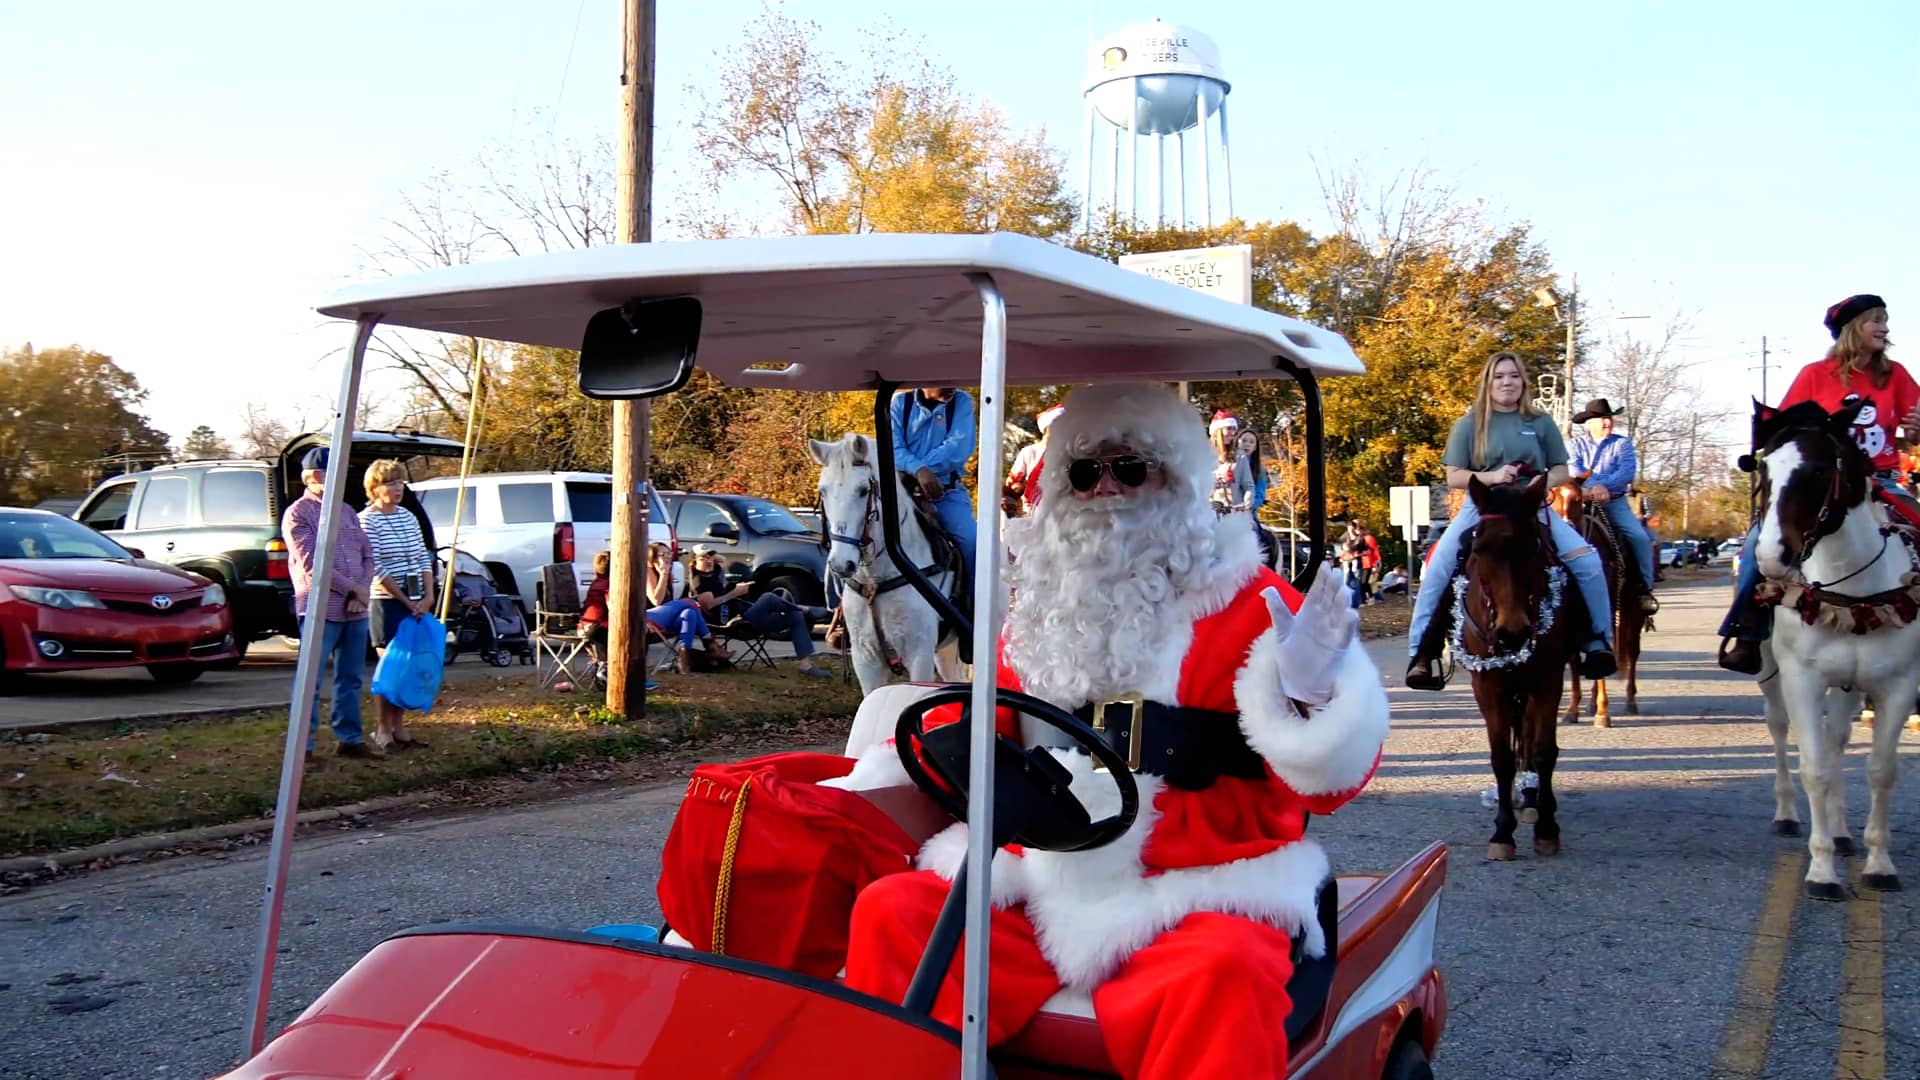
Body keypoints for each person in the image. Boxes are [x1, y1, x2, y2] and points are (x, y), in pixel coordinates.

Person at [840, 382, 1390, 1080]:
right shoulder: (1043, 611)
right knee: (895, 912)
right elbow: (981, 723)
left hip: (1193, 889)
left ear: (1177, 483)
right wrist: (898, 759)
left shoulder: (1256, 606)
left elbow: (1330, 789)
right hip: (1040, 881)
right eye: (1083, 472)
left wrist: (1316, 699)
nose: (1104, 489)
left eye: (1129, 469)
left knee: (1223, 974)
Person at [1718, 294, 1920, 673]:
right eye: (1876, 320)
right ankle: (1747, 632)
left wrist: (1915, 431)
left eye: (1885, 320)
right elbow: (1784, 433)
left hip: (1881, 481)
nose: (1885, 328)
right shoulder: (1814, 375)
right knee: (1757, 543)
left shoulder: (1896, 375)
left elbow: (1912, 433)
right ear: (1852, 329)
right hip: (1823, 487)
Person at [1404, 351, 1617, 690]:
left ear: (1523, 382)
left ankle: (1597, 642)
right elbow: (1454, 476)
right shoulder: (1469, 424)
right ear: (1488, 382)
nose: (1507, 382)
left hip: (1531, 507)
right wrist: (1492, 477)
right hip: (1483, 508)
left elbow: (1561, 470)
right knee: (1438, 567)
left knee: (1588, 561)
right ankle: (1422, 653)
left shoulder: (1540, 422)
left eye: (1514, 376)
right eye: (1500, 376)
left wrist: (1540, 484)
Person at [283, 446, 381, 758]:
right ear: (313, 477)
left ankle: (349, 739)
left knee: (350, 678)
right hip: (320, 609)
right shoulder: (298, 514)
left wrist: (361, 591)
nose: (339, 479)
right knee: (310, 680)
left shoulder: (347, 511)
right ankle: (304, 747)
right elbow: (313, 565)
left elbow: (367, 555)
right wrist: (353, 590)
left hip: (355, 610)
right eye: (332, 473)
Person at [359, 459, 437, 750]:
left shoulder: (408, 517)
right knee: (391, 665)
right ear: (375, 488)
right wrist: (403, 599)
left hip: (416, 598)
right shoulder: (367, 520)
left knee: (410, 664)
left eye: (399, 482)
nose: (397, 488)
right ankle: (382, 729)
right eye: (390, 483)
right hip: (387, 601)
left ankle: (399, 726)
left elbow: (422, 556)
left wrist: (428, 596)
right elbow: (376, 565)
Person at [687, 544, 834, 679]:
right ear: (694, 561)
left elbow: (722, 559)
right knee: (768, 597)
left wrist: (711, 556)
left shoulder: (714, 570)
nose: (708, 561)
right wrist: (735, 593)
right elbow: (710, 605)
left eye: (710, 557)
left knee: (795, 616)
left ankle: (805, 666)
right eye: (703, 558)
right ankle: (804, 608)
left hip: (746, 615)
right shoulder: (699, 581)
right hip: (734, 623)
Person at [1569, 399, 1661, 613]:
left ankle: (1644, 588)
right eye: (1602, 418)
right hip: (1580, 500)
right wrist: (1593, 488)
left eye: (1609, 418)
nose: (1607, 422)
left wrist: (1603, 487)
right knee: (1555, 532)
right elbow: (1574, 469)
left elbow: (1626, 472)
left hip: (1615, 501)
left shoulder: (1622, 444)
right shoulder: (1575, 445)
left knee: (1639, 537)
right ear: (1589, 422)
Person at [891, 387, 978, 589]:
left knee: (972, 542)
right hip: (901, 492)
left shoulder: (961, 401)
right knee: (863, 536)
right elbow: (892, 447)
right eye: (944, 378)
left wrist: (922, 471)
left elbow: (957, 447)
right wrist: (919, 470)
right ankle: (846, 598)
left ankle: (973, 603)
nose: (951, 385)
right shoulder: (900, 403)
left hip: (945, 495)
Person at [576, 549, 657, 691]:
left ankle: (608, 669)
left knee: (636, 633)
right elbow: (616, 609)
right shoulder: (611, 585)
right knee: (639, 636)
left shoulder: (598, 581)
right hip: (598, 628)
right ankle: (634, 678)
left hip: (586, 626)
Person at [645, 541, 730, 674]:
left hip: (666, 621)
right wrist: (663, 574)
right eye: (663, 554)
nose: (668, 556)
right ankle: (711, 645)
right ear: (652, 560)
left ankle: (684, 664)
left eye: (669, 553)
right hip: (647, 621)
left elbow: (668, 604)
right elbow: (656, 601)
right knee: (690, 603)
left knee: (689, 613)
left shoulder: (668, 572)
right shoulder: (648, 572)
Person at [1004, 404, 1064, 517]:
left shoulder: (1068, 453)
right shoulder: (1029, 452)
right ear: (1047, 428)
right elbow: (1011, 485)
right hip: (1031, 512)